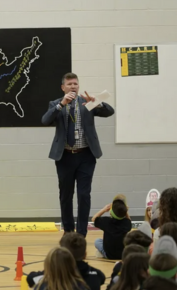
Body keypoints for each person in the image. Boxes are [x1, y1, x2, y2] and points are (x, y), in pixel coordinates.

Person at [42, 72, 115, 237]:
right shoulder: (56, 104)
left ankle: (81, 233)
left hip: (86, 156)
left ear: (78, 86)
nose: (73, 86)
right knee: (66, 195)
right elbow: (45, 120)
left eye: (75, 83)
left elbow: (110, 111)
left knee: (84, 195)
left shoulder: (86, 102)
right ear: (63, 87)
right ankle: (68, 231)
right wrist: (61, 104)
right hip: (65, 157)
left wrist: (96, 103)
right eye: (69, 84)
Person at [27, 233, 105, 290]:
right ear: (85, 254)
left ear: (62, 253)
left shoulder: (51, 275)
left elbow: (30, 278)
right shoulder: (97, 275)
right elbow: (101, 278)